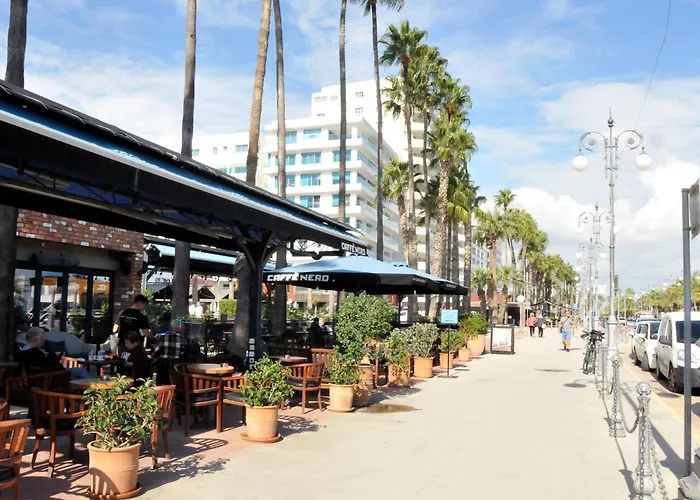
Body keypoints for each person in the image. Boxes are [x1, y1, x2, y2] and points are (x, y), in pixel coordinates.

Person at [17, 327, 89, 380]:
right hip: (52, 376)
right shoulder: (34, 352)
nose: (43, 341)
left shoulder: (21, 350)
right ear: (36, 339)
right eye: (42, 339)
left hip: (44, 376)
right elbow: (50, 365)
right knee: (81, 371)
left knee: (78, 372)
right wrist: (54, 355)